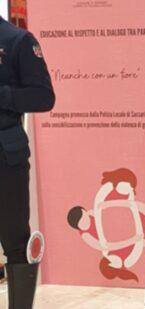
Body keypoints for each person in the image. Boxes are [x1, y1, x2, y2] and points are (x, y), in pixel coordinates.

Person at [0, 16, 55, 309]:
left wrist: (4, 96)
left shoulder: (17, 40)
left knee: (15, 241)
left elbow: (44, 97)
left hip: (5, 157)